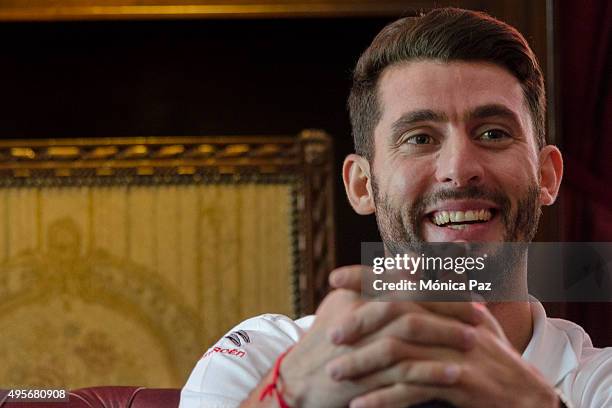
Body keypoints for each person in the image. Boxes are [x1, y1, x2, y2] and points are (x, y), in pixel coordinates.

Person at [179, 8, 611, 408]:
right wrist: (289, 391)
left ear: (547, 175)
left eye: (494, 133)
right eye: (420, 138)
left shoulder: (601, 382)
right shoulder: (259, 356)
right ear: (362, 184)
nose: (459, 169)